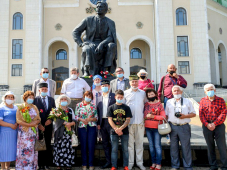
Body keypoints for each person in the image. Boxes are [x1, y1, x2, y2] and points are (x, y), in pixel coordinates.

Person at [73, 1, 117, 76]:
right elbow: (75, 32)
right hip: (90, 43)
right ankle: (87, 71)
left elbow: (111, 37)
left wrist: (102, 44)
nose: (98, 8)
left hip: (104, 44)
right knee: (86, 49)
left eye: (101, 7)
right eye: (97, 7)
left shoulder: (110, 22)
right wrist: (81, 43)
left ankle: (106, 70)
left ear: (106, 10)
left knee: (112, 46)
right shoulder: (88, 20)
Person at [165, 85, 196, 170]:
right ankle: (175, 165)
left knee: (186, 147)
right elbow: (166, 115)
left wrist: (185, 116)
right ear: (172, 92)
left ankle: (188, 166)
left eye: (178, 91)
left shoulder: (187, 101)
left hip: (184, 126)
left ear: (181, 92)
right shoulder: (169, 102)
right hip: (172, 126)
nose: (176, 92)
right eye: (174, 91)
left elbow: (193, 114)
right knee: (173, 147)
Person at [199, 84, 227, 170]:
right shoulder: (202, 100)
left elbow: (223, 113)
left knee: (222, 146)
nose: (209, 91)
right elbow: (201, 114)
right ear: (205, 92)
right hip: (206, 126)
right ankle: (213, 166)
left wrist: (215, 123)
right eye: (207, 90)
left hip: (219, 126)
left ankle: (224, 166)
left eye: (211, 89)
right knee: (210, 146)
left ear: (214, 90)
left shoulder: (221, 100)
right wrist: (207, 124)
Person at [124, 75, 147, 170]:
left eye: (135, 81)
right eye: (132, 82)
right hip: (129, 122)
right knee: (130, 144)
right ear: (129, 83)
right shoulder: (125, 93)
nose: (134, 83)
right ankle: (130, 163)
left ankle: (139, 162)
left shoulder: (143, 93)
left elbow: (146, 105)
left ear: (138, 82)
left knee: (139, 143)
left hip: (140, 122)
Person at [107, 89, 132, 170]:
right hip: (113, 132)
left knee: (125, 149)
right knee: (114, 149)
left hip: (124, 131)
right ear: (115, 97)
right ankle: (114, 166)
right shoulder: (111, 107)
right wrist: (116, 129)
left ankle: (125, 165)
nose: (120, 98)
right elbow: (110, 119)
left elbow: (128, 119)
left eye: (121, 97)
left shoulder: (126, 107)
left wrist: (120, 129)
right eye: (118, 97)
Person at [33, 83, 56, 170]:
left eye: (45, 89)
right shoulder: (35, 100)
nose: (44, 91)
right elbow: (33, 114)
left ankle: (46, 164)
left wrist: (51, 120)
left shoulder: (51, 99)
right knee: (39, 144)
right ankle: (40, 164)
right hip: (39, 126)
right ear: (39, 90)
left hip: (48, 126)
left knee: (47, 144)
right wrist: (38, 124)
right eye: (42, 89)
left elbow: (54, 112)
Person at [16, 91, 41, 170]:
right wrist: (29, 125)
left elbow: (39, 119)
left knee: (32, 149)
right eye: (29, 97)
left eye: (32, 97)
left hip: (33, 132)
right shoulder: (21, 107)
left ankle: (31, 167)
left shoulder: (34, 107)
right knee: (24, 148)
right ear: (25, 98)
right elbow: (18, 120)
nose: (31, 99)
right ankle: (22, 167)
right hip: (24, 132)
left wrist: (35, 122)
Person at [75, 91, 98, 170]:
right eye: (86, 95)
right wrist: (82, 119)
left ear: (91, 97)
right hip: (82, 126)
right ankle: (84, 164)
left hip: (91, 126)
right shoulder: (78, 105)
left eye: (89, 96)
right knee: (83, 145)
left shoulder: (94, 106)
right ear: (84, 96)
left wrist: (90, 119)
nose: (88, 97)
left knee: (91, 145)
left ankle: (91, 164)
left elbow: (96, 117)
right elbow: (76, 116)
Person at [144, 89, 166, 170]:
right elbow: (144, 116)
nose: (150, 96)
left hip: (157, 128)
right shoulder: (146, 104)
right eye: (149, 95)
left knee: (157, 146)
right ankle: (153, 162)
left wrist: (154, 117)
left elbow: (163, 117)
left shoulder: (159, 104)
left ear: (155, 94)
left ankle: (158, 163)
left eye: (152, 94)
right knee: (151, 146)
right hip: (148, 128)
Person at [53, 94, 76, 170]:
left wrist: (71, 123)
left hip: (68, 132)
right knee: (59, 147)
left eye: (65, 99)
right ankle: (58, 164)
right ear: (59, 101)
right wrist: (66, 123)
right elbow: (56, 121)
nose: (63, 101)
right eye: (62, 99)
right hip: (59, 132)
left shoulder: (70, 110)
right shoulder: (56, 110)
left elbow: (74, 120)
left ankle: (67, 163)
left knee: (68, 147)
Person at [97, 80, 116, 169]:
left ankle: (114, 163)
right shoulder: (98, 96)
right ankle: (108, 161)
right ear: (101, 87)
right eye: (102, 85)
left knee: (113, 142)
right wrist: (98, 123)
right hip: (102, 122)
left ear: (109, 86)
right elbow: (98, 110)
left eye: (106, 85)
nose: (104, 87)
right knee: (105, 143)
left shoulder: (113, 96)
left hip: (111, 122)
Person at [0, 91, 18, 170]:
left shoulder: (16, 108)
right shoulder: (2, 108)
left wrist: (16, 124)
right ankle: (3, 167)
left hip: (13, 133)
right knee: (3, 149)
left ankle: (8, 167)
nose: (10, 99)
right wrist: (11, 125)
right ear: (5, 98)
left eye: (12, 97)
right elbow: (0, 121)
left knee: (11, 150)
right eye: (9, 97)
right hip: (4, 133)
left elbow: (19, 119)